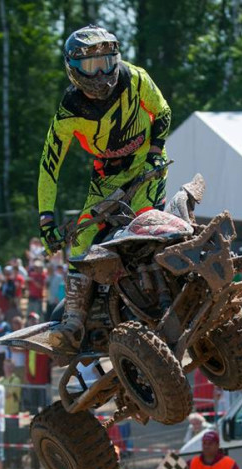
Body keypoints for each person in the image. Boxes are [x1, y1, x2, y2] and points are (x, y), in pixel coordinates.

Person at [38, 24, 171, 353]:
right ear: (73, 68)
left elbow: (163, 111)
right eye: (92, 66)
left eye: (107, 62)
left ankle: (171, 282)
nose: (102, 73)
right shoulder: (69, 112)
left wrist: (155, 153)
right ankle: (73, 319)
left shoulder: (135, 78)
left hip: (145, 166)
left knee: (146, 222)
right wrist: (46, 221)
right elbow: (49, 167)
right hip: (106, 180)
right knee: (82, 238)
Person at [1, 358, 22, 469]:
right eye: (6, 366)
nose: (8, 369)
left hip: (12, 414)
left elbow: (7, 395)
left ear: (13, 368)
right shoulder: (1, 380)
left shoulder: (16, 380)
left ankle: (16, 462)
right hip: (1, 415)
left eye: (10, 366)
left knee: (14, 440)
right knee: (4, 440)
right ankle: (6, 462)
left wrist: (0, 392)